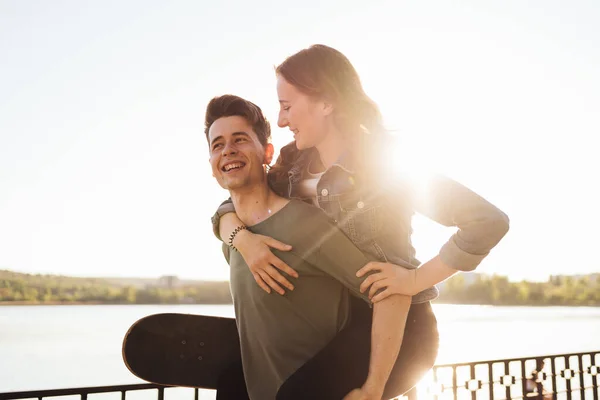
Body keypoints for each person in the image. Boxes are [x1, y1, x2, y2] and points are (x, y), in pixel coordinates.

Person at [213, 44, 510, 399]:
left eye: (287, 106)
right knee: (235, 383)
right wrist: (240, 238)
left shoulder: (387, 167)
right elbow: (233, 201)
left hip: (406, 329)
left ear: (326, 102)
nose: (281, 121)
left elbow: (488, 221)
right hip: (346, 324)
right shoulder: (292, 167)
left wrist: (414, 279)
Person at [205, 94, 411, 400]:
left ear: (267, 152)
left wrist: (374, 388)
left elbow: (388, 291)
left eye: (240, 139)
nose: (228, 150)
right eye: (217, 145)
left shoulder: (304, 223)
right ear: (211, 164)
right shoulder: (234, 239)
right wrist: (239, 236)